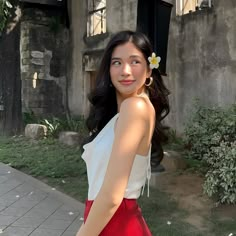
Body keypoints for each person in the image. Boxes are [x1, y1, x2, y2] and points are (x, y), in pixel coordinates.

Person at [76, 30, 170, 236]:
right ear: (108, 70)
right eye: (116, 62)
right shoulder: (128, 111)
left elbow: (111, 196)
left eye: (135, 61)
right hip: (107, 221)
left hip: (116, 224)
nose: (125, 70)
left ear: (148, 70)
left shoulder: (135, 108)